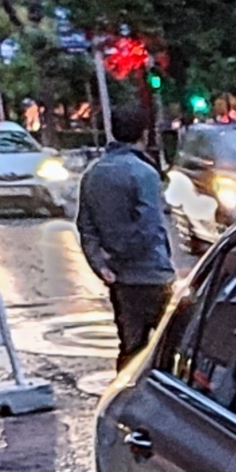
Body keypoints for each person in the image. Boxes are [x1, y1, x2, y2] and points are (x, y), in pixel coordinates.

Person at [75, 102, 175, 368]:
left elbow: (86, 227)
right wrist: (126, 254)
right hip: (152, 274)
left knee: (131, 347)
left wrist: (101, 264)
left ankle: (124, 401)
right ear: (144, 134)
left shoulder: (93, 175)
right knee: (173, 347)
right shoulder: (144, 173)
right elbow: (149, 226)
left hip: (120, 280)